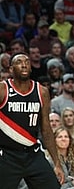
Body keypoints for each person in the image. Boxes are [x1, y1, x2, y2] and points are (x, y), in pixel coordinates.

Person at [0, 52, 65, 188]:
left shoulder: (42, 92)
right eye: (19, 62)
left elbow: (46, 129)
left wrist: (57, 163)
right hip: (7, 156)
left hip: (32, 154)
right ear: (11, 69)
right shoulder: (3, 89)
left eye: (27, 62)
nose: (24, 65)